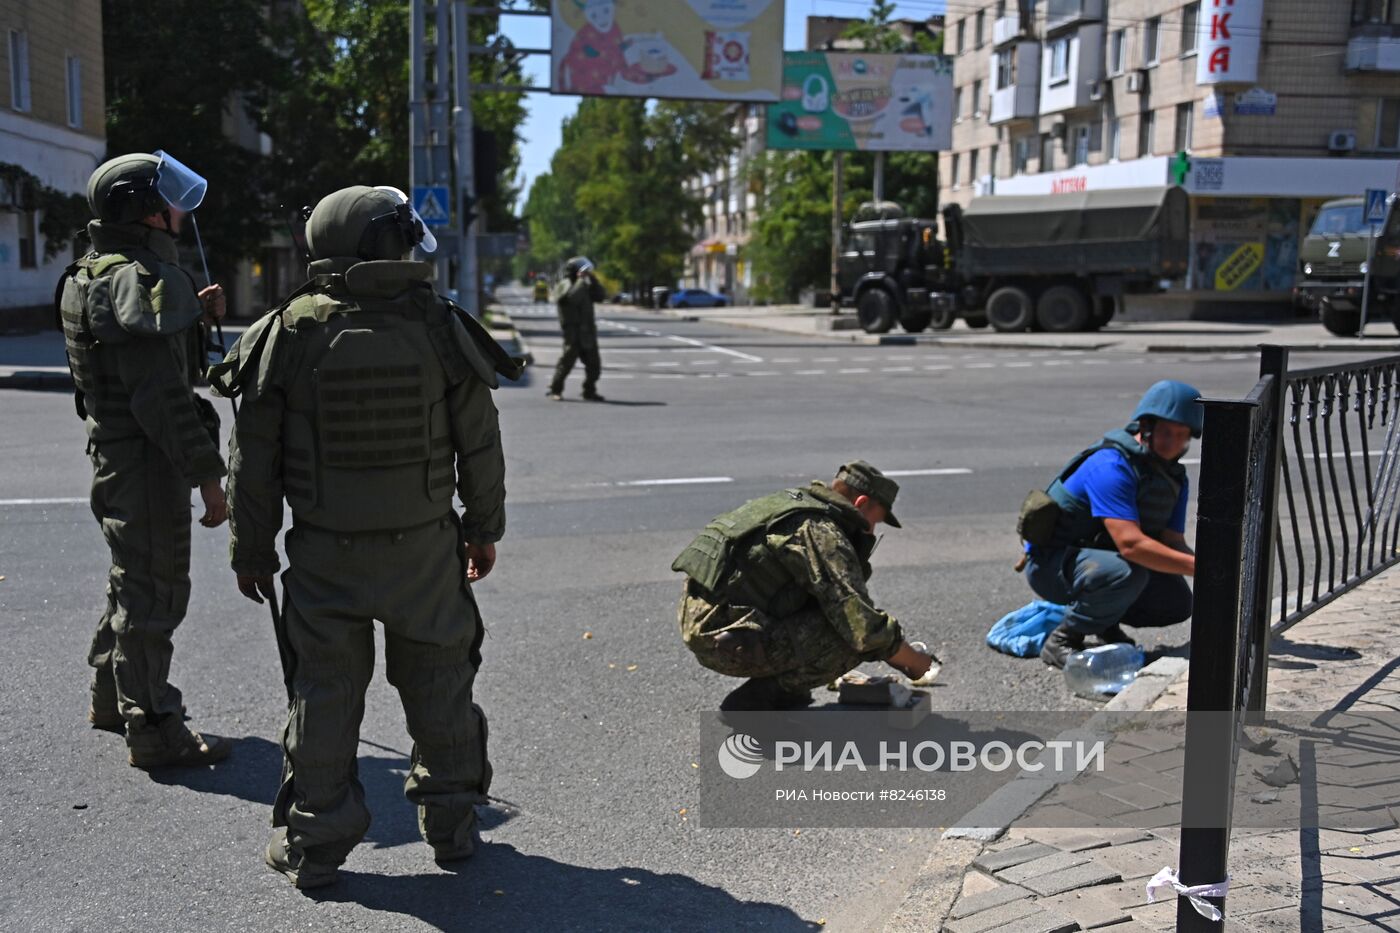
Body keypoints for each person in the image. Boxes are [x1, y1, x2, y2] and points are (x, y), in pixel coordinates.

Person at [209, 185, 518, 889]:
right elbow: (481, 446)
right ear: (386, 244)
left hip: (324, 555)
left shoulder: (286, 333)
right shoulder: (439, 325)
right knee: (441, 681)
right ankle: (452, 824)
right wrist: (483, 529)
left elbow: (251, 463)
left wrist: (251, 553)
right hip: (425, 551)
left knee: (324, 693)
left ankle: (315, 846)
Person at [57, 151, 231, 769]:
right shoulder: (137, 279)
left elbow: (143, 364)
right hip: (147, 460)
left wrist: (196, 317)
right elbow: (162, 396)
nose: (179, 212)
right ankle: (156, 727)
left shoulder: (94, 271)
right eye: (168, 201)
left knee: (131, 580)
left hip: (115, 452)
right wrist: (209, 477)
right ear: (145, 212)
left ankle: (111, 697)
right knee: (155, 593)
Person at [672, 461, 935, 711]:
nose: (873, 529)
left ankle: (785, 689)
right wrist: (913, 662)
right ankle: (756, 701)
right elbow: (862, 627)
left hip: (707, 622)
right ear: (861, 503)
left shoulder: (794, 505)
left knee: (833, 614)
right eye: (875, 520)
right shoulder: (821, 532)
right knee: (850, 637)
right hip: (726, 639)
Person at [1022, 381, 1201, 669]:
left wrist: (1217, 573)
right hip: (1051, 565)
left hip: (1097, 561)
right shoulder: (1112, 464)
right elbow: (1131, 545)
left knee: (1177, 600)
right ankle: (1062, 640)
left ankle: (1104, 623)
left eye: (1182, 436)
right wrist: (1202, 569)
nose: (1174, 443)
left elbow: (1172, 542)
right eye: (1167, 432)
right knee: (1126, 572)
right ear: (1146, 427)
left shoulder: (1173, 478)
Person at [548, 255, 606, 402]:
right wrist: (581, 280)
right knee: (566, 363)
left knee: (594, 365)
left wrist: (592, 279)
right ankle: (556, 389)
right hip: (573, 333)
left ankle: (589, 390)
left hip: (587, 333)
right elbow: (572, 299)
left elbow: (600, 296)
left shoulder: (585, 285)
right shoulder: (565, 284)